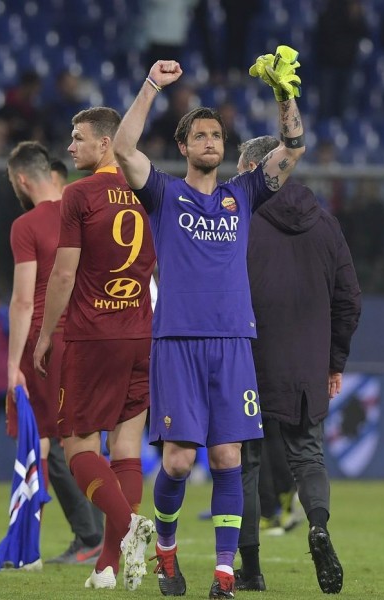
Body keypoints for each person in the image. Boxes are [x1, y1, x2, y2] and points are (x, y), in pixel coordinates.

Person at [112, 47, 306, 598]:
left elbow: (293, 148)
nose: (210, 143)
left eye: (216, 136)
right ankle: (167, 554)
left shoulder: (241, 195)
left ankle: (224, 574)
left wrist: (284, 96)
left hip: (233, 343)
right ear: (182, 148)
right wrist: (151, 84)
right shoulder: (164, 194)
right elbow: (123, 148)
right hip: (176, 341)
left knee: (226, 456)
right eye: (200, 136)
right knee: (177, 462)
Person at [33, 107, 156, 590]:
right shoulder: (148, 190)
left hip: (92, 334)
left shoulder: (79, 194)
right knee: (125, 449)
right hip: (141, 332)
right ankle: (106, 567)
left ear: (106, 144)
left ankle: (128, 526)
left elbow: (64, 273)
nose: (70, 147)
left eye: (78, 138)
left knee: (78, 447)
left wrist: (46, 334)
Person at [233, 136, 361, 594]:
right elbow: (350, 300)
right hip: (307, 363)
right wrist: (333, 359)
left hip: (245, 360)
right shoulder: (325, 223)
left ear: (256, 168)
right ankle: (319, 527)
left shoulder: (238, 218)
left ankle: (250, 568)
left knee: (242, 464)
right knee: (308, 456)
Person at [5, 140, 105, 565]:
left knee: (44, 442)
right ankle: (103, 531)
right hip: (91, 337)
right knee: (88, 442)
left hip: (48, 344)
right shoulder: (86, 212)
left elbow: (24, 301)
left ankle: (71, 538)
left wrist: (13, 364)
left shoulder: (26, 225)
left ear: (22, 179)